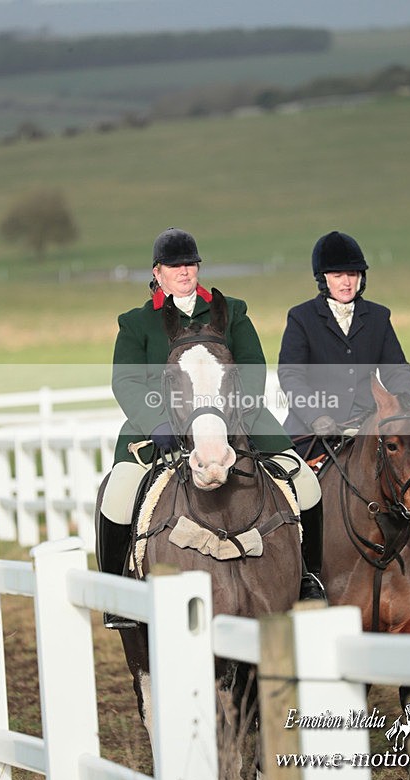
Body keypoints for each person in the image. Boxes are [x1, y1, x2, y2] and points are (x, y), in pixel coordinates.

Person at [97, 227, 326, 628]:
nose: (184, 272)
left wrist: (234, 412)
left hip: (237, 418)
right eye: (175, 266)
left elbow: (253, 366)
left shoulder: (231, 311)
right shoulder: (136, 323)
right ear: (158, 271)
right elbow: (127, 381)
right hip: (159, 427)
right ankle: (119, 591)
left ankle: (308, 576)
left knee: (304, 481)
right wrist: (157, 421)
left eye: (190, 264)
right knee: (118, 494)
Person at [278, 229, 410, 594]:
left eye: (352, 274)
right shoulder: (301, 317)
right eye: (338, 275)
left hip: (371, 423)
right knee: (293, 486)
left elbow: (396, 370)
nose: (346, 281)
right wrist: (318, 414)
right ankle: (307, 573)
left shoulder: (377, 317)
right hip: (313, 427)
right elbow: (291, 376)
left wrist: (403, 407)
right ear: (324, 279)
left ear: (361, 277)